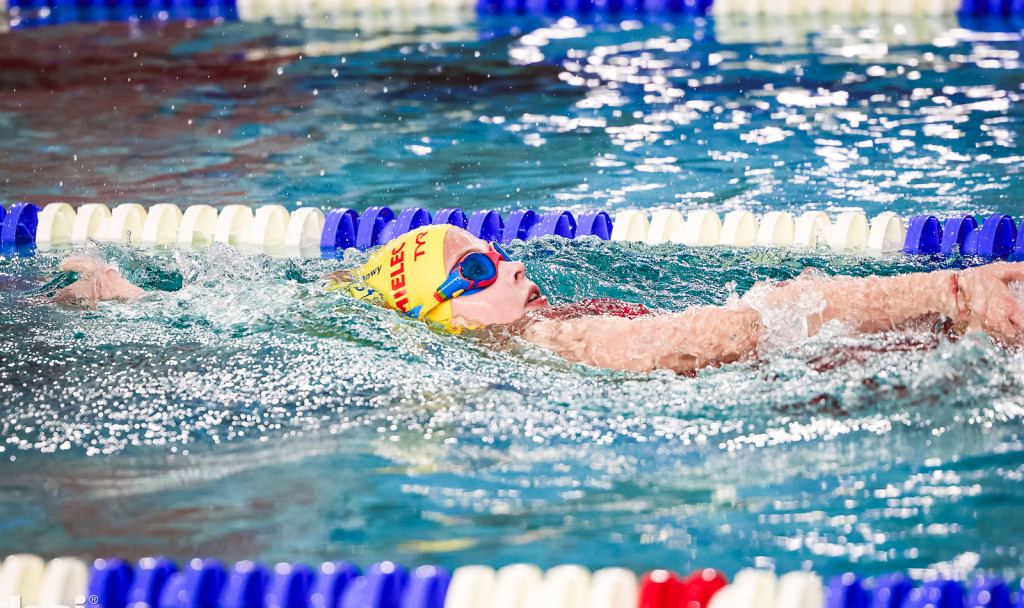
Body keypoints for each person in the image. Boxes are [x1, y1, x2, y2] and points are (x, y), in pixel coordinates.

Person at [50, 223, 1024, 375]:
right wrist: (944, 289)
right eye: (472, 274)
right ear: (431, 316)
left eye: (498, 254)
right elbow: (747, 324)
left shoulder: (544, 322)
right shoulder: (556, 349)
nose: (508, 269)